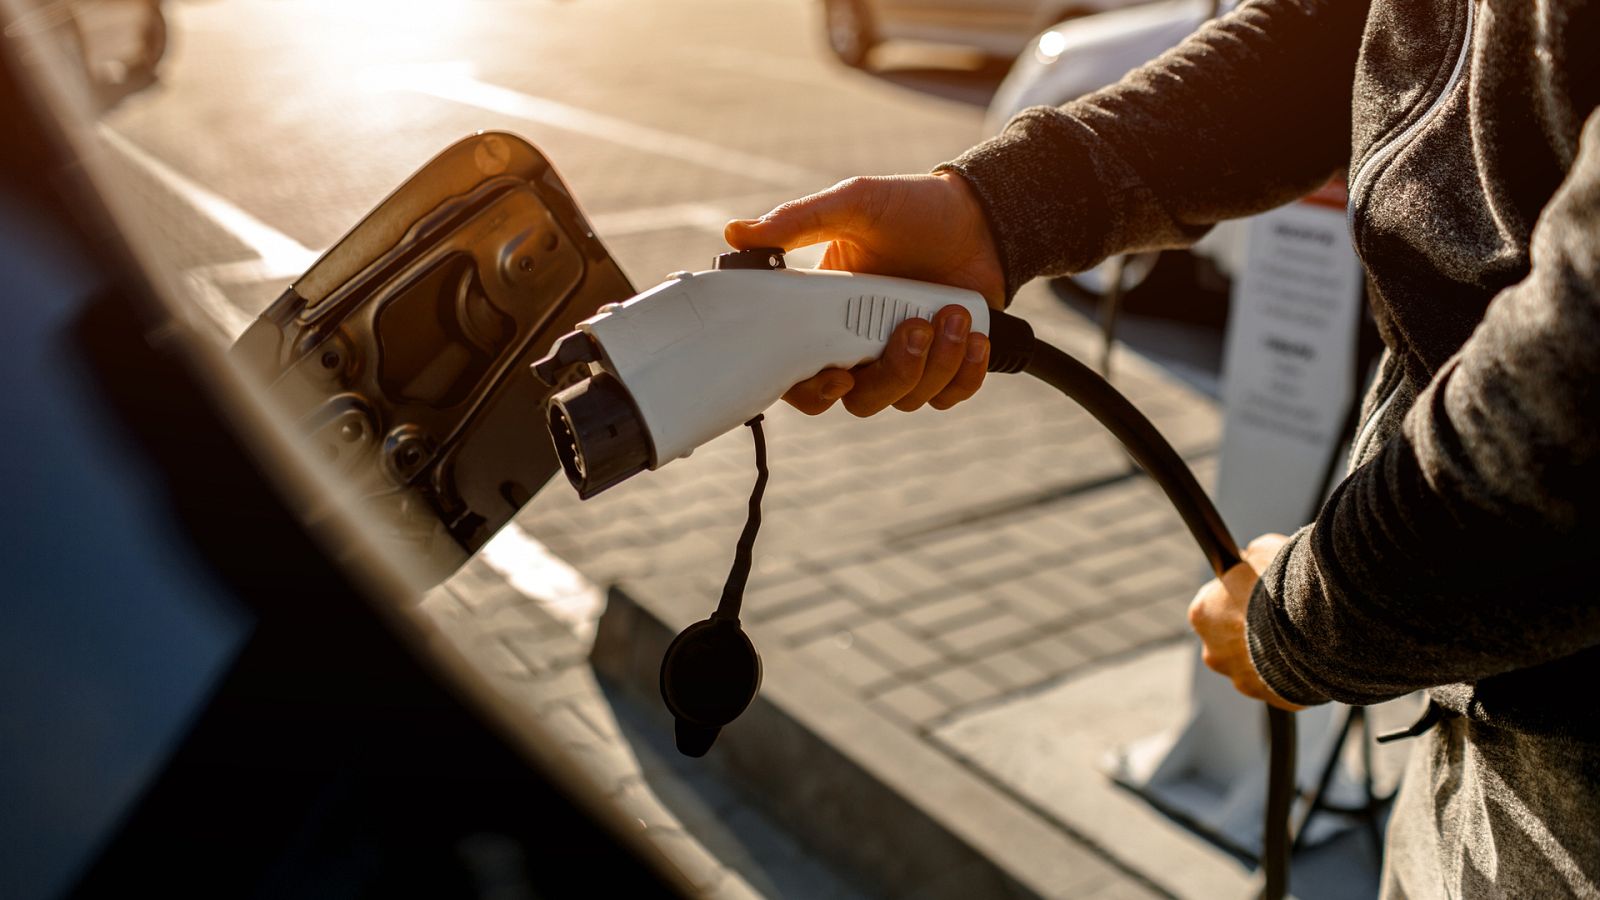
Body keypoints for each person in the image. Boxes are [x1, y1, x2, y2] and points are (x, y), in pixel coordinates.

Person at [725, 0, 1600, 895]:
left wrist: (1302, 617)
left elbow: (1572, 405)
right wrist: (993, 211)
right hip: (1479, 722)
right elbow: (1337, 31)